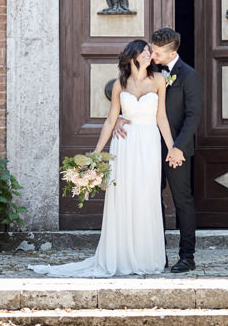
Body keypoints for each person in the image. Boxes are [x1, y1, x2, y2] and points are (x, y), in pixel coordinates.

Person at [29, 39, 177, 277]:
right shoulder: (121, 84)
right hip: (125, 145)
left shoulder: (159, 80)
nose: (149, 54)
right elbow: (111, 120)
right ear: (133, 56)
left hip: (149, 143)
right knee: (124, 196)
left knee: (145, 195)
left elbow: (162, 118)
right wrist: (97, 153)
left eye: (150, 51)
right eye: (145, 51)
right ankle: (121, 255)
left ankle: (145, 256)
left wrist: (171, 147)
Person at [114, 27, 203, 273]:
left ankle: (187, 256)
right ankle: (156, 254)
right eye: (151, 49)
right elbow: (130, 95)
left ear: (171, 51)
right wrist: (121, 117)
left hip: (176, 150)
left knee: (182, 201)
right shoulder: (150, 71)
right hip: (148, 147)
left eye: (156, 51)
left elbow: (193, 117)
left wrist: (177, 148)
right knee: (151, 201)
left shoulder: (189, 75)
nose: (151, 54)